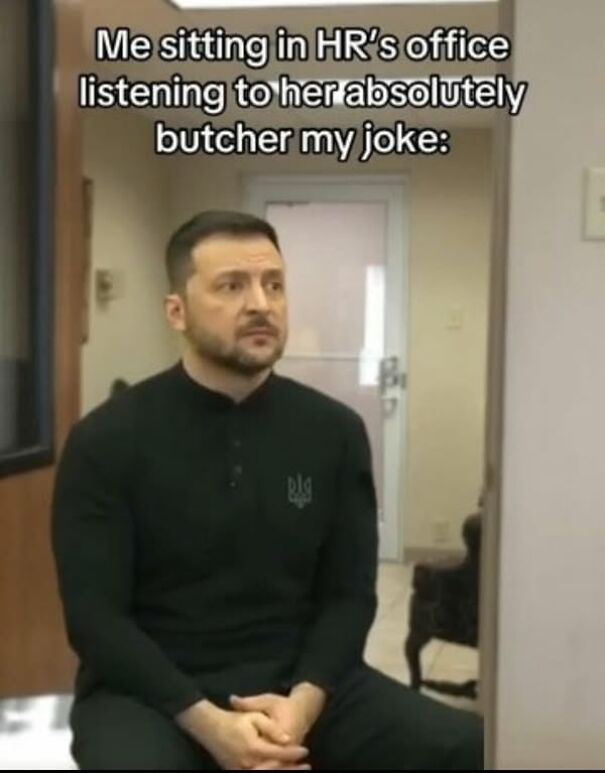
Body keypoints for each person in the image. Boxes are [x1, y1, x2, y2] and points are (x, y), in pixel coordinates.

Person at [51, 210, 483, 771]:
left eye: (273, 284)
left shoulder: (333, 432)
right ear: (176, 311)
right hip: (152, 695)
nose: (260, 302)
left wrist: (301, 707)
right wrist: (210, 724)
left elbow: (349, 595)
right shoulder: (105, 440)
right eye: (232, 286)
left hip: (301, 684)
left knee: (465, 749)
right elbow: (95, 619)